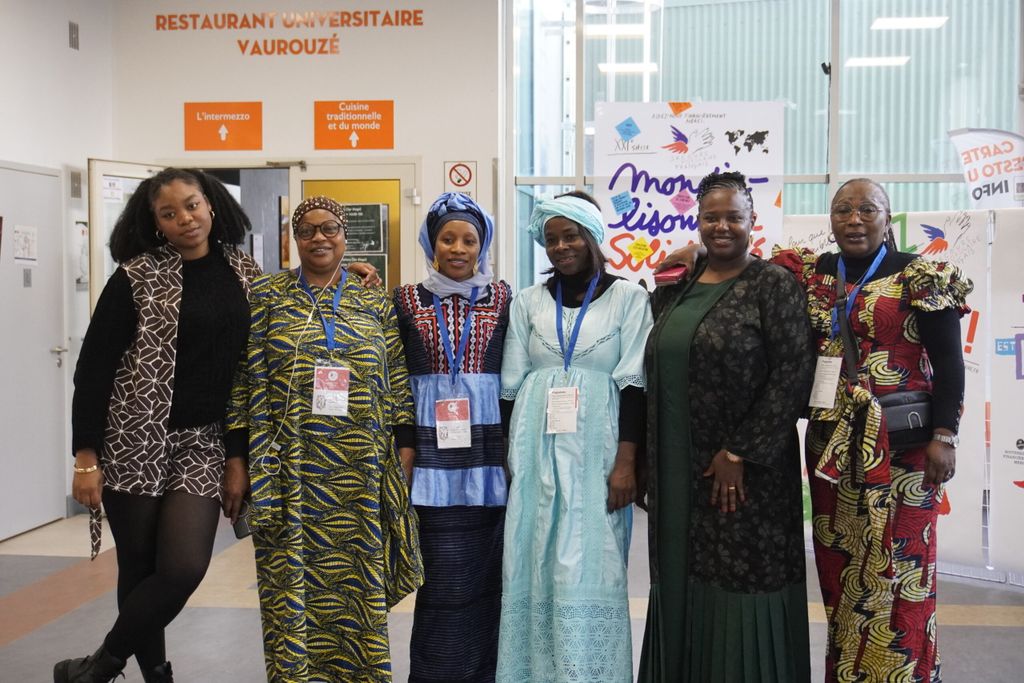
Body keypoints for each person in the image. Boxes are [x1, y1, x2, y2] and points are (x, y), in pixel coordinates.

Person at [659, 178, 972, 682]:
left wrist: (945, 435)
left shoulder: (920, 274)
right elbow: (733, 258)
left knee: (901, 568)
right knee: (842, 571)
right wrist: (695, 251)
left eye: (867, 209)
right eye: (843, 209)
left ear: (887, 217)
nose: (854, 219)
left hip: (902, 449)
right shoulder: (810, 274)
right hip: (832, 449)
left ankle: (905, 673)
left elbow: (950, 365)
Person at [55, 167, 263, 683]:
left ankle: (97, 667)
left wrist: (350, 278)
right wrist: (86, 457)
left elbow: (265, 349)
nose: (185, 219)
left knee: (184, 567)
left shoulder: (244, 271)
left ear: (210, 204)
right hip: (134, 437)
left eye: (191, 205)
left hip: (205, 441)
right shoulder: (136, 276)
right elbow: (94, 369)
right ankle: (157, 674)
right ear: (155, 223)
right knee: (140, 567)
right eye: (169, 214)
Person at [227, 195, 423, 682]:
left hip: (360, 471)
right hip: (288, 468)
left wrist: (404, 451)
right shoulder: (267, 295)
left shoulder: (373, 300)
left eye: (329, 228)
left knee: (357, 586)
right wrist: (237, 459)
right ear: (295, 239)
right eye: (308, 230)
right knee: (290, 588)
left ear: (344, 236)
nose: (319, 237)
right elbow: (242, 380)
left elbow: (397, 379)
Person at [637, 171, 815, 683]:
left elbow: (793, 373)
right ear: (697, 221)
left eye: (733, 217)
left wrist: (740, 451)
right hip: (677, 467)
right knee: (681, 573)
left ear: (752, 220)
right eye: (711, 217)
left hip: (748, 476)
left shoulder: (772, 285)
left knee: (742, 577)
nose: (721, 226)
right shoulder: (676, 286)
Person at [497, 191, 652, 683]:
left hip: (597, 452)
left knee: (591, 560)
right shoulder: (527, 301)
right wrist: (509, 458)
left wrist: (626, 463)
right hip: (535, 447)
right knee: (534, 556)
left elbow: (635, 386)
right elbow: (510, 386)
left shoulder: (629, 298)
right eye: (551, 239)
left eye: (571, 236)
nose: (561, 247)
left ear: (592, 238)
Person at [392, 192, 511, 682]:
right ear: (431, 244)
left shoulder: (502, 298)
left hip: (488, 458)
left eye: (469, 240)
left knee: (487, 579)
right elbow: (393, 374)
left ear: (482, 246)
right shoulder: (404, 300)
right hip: (430, 458)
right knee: (440, 580)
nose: (458, 249)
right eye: (447, 239)